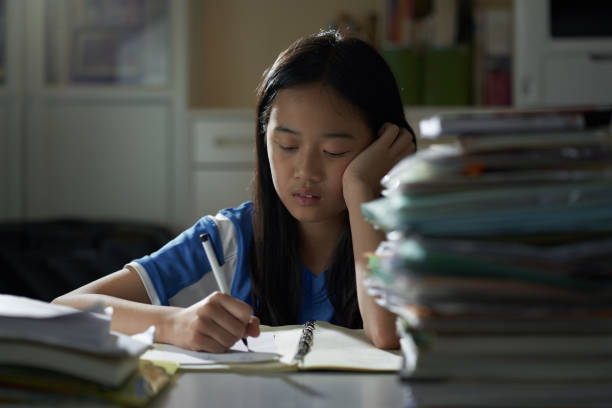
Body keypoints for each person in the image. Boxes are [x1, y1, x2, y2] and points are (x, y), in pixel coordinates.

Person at [53, 30, 416, 352]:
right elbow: (68, 307)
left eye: (334, 152)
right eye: (287, 146)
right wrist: (174, 324)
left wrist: (361, 191)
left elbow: (388, 335)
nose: (306, 172)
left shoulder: (414, 239)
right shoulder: (228, 238)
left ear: (382, 145)